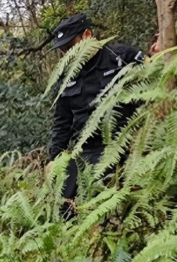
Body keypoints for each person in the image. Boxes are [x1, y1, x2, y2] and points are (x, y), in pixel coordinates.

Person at [48, 13, 145, 219]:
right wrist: (54, 159)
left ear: (87, 35)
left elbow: (155, 80)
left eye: (70, 46)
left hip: (123, 145)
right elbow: (62, 122)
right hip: (85, 150)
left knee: (110, 204)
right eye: (63, 49)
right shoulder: (66, 77)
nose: (67, 53)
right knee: (64, 207)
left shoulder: (121, 57)